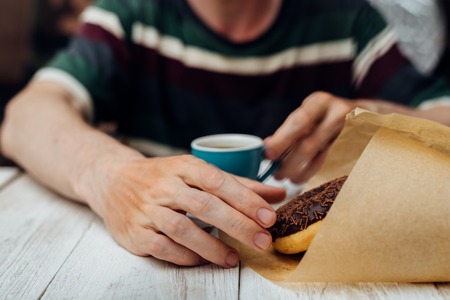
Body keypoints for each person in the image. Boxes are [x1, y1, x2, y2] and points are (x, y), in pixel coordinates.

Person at [2, 0, 450, 268]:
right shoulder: (131, 16)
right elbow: (25, 116)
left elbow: (442, 112)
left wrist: (380, 115)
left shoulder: (345, 18)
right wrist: (112, 175)